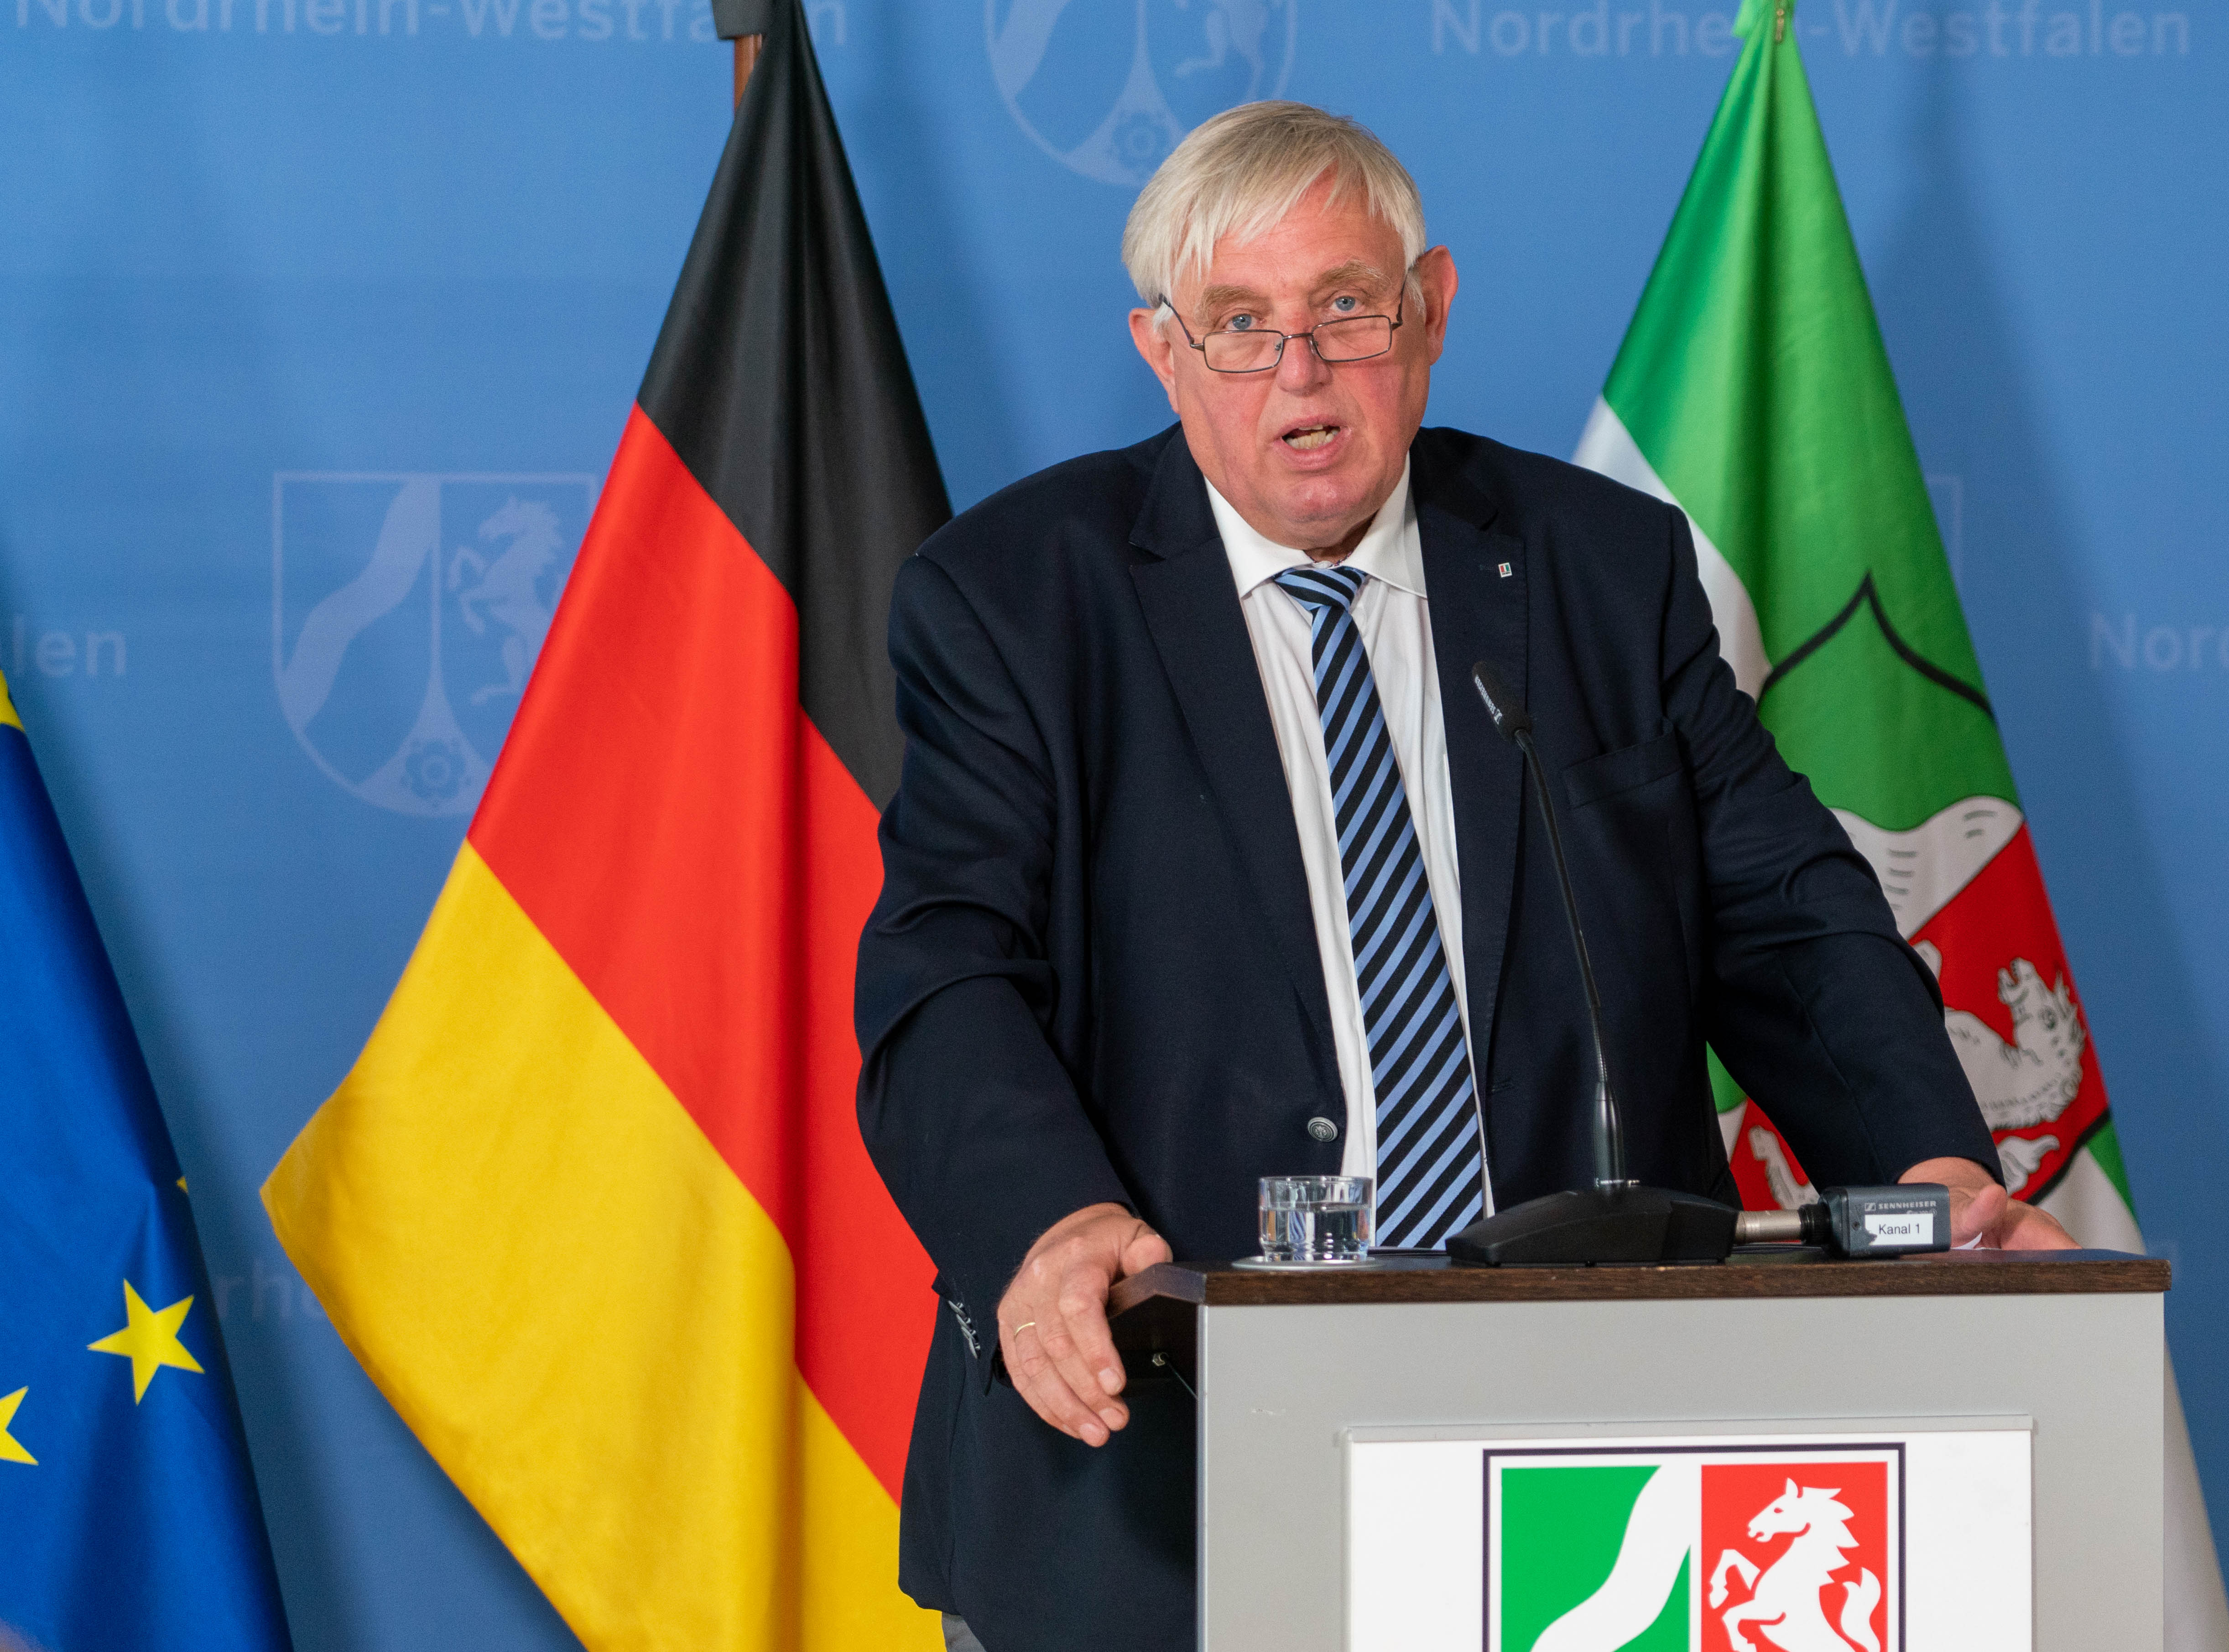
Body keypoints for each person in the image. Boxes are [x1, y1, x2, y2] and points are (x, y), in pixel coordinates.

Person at [854, 100, 2071, 1652]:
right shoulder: (1015, 599)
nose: (1301, 369)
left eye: (1346, 307)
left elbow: (1790, 919)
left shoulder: (1601, 568)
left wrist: (1927, 1164)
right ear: (1164, 352)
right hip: (1160, 1471)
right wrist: (1046, 1220)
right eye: (1241, 323)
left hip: (1586, 1463)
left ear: (1430, 308)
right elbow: (948, 971)